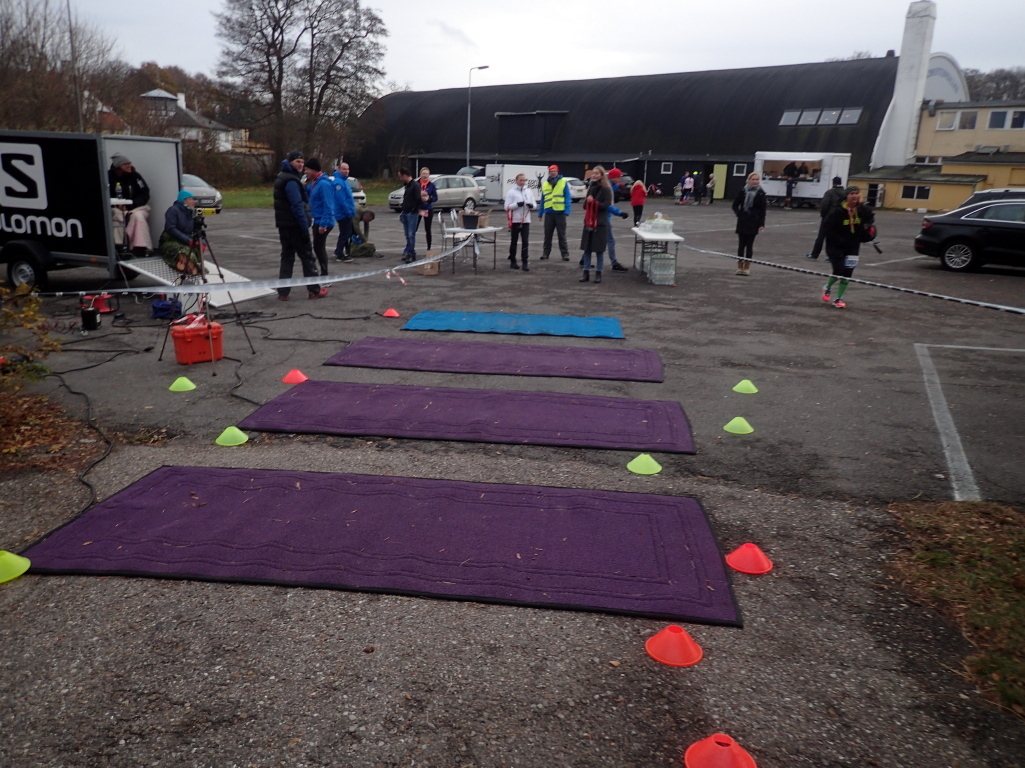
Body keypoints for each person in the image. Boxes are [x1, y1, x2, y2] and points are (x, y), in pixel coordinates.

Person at [273, 150, 327, 301]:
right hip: (295, 225)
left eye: (302, 162)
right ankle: (314, 290)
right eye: (297, 161)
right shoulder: (291, 181)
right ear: (290, 162)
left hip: (284, 225)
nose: (301, 165)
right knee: (307, 257)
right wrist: (304, 225)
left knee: (287, 257)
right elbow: (297, 205)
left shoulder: (283, 177)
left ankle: (283, 292)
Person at [821, 185, 875, 309]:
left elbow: (870, 218)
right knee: (839, 270)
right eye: (852, 193)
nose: (854, 196)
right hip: (836, 246)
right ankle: (827, 287)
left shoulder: (863, 209)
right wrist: (839, 240)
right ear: (847, 196)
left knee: (848, 272)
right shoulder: (837, 211)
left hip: (853, 246)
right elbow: (827, 228)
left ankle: (838, 298)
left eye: (856, 193)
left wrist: (868, 227)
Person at [108, 153, 152, 255]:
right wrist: (115, 205)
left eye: (129, 163)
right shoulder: (108, 177)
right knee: (117, 216)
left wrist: (130, 205)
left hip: (135, 207)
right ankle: (119, 247)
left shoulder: (135, 176)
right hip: (115, 207)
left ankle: (141, 247)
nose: (129, 166)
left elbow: (144, 193)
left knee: (138, 216)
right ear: (118, 166)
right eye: (125, 164)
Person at [578, 165, 613, 284]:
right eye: (593, 173)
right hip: (589, 222)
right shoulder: (591, 188)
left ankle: (598, 273)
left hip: (600, 223)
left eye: (596, 173)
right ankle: (585, 272)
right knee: (587, 249)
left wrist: (594, 202)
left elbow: (606, 206)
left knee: (599, 250)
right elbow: (584, 206)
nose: (594, 175)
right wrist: (588, 202)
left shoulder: (606, 189)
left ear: (602, 175)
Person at [731, 171, 767, 276]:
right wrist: (739, 214)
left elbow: (763, 210)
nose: (755, 181)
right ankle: (739, 266)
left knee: (749, 245)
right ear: (749, 180)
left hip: (754, 221)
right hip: (743, 220)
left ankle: (747, 267)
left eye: (757, 179)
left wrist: (761, 224)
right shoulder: (743, 191)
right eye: (753, 179)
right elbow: (735, 205)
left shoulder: (761, 193)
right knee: (741, 245)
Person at [305, 157, 335, 277]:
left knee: (319, 248)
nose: (305, 172)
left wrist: (323, 224)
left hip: (323, 221)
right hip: (316, 219)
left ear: (314, 170)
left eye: (307, 170)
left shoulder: (324, 184)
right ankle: (324, 274)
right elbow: (308, 193)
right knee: (318, 247)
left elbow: (328, 205)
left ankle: (325, 275)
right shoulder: (315, 183)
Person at [158, 190, 199, 274]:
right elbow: (171, 228)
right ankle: (187, 267)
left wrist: (201, 242)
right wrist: (188, 240)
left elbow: (198, 229)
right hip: (171, 240)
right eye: (192, 199)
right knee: (186, 253)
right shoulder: (173, 210)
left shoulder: (192, 212)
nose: (194, 202)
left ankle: (191, 267)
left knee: (195, 252)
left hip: (186, 240)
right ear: (184, 200)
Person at [806, 176, 846, 260]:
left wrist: (824, 215)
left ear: (833, 183)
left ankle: (815, 254)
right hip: (840, 219)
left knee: (821, 237)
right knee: (834, 238)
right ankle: (832, 256)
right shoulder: (845, 193)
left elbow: (824, 205)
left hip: (828, 218)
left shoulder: (829, 192)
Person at [503, 173, 537, 271]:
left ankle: (525, 262)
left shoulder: (528, 191)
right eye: (520, 180)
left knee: (525, 241)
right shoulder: (511, 192)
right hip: (515, 220)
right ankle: (513, 260)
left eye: (524, 180)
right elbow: (506, 207)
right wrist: (517, 204)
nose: (522, 182)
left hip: (526, 220)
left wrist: (532, 206)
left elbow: (535, 204)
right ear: (516, 181)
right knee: (514, 241)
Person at [539, 164, 572, 261]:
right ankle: (546, 253)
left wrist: (567, 210)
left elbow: (567, 197)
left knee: (561, 234)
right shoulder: (545, 184)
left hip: (560, 212)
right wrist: (540, 213)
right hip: (549, 212)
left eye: (554, 171)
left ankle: (565, 254)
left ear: (557, 172)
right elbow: (543, 199)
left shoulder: (563, 182)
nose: (553, 173)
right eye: (551, 171)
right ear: (549, 172)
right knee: (547, 235)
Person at [604, 169, 631, 272]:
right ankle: (614, 262)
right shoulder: (608, 188)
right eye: (618, 177)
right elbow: (608, 205)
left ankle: (584, 259)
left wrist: (619, 188)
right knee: (610, 240)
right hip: (604, 218)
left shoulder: (610, 186)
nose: (619, 179)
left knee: (596, 239)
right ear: (612, 177)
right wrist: (620, 213)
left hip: (604, 217)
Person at [331, 161, 356, 263]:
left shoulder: (344, 181)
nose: (346, 171)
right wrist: (348, 211)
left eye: (347, 169)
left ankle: (341, 251)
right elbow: (341, 200)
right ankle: (339, 253)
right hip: (343, 213)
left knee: (346, 233)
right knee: (345, 233)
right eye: (344, 169)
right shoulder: (338, 182)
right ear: (339, 170)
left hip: (347, 212)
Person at [397, 168, 420, 263]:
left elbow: (418, 199)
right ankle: (410, 252)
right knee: (407, 234)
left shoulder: (415, 185)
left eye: (401, 177)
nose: (400, 179)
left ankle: (411, 253)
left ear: (405, 175)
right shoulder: (407, 186)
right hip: (405, 212)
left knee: (411, 234)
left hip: (412, 214)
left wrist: (413, 210)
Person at [414, 167, 439, 251]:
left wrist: (429, 198)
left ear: (429, 175)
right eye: (423, 174)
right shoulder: (416, 184)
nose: (425, 175)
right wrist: (419, 195)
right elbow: (411, 195)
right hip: (418, 208)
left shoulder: (431, 185)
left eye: (427, 174)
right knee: (414, 228)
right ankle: (411, 247)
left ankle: (429, 247)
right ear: (420, 174)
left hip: (428, 209)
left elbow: (435, 197)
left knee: (428, 229)